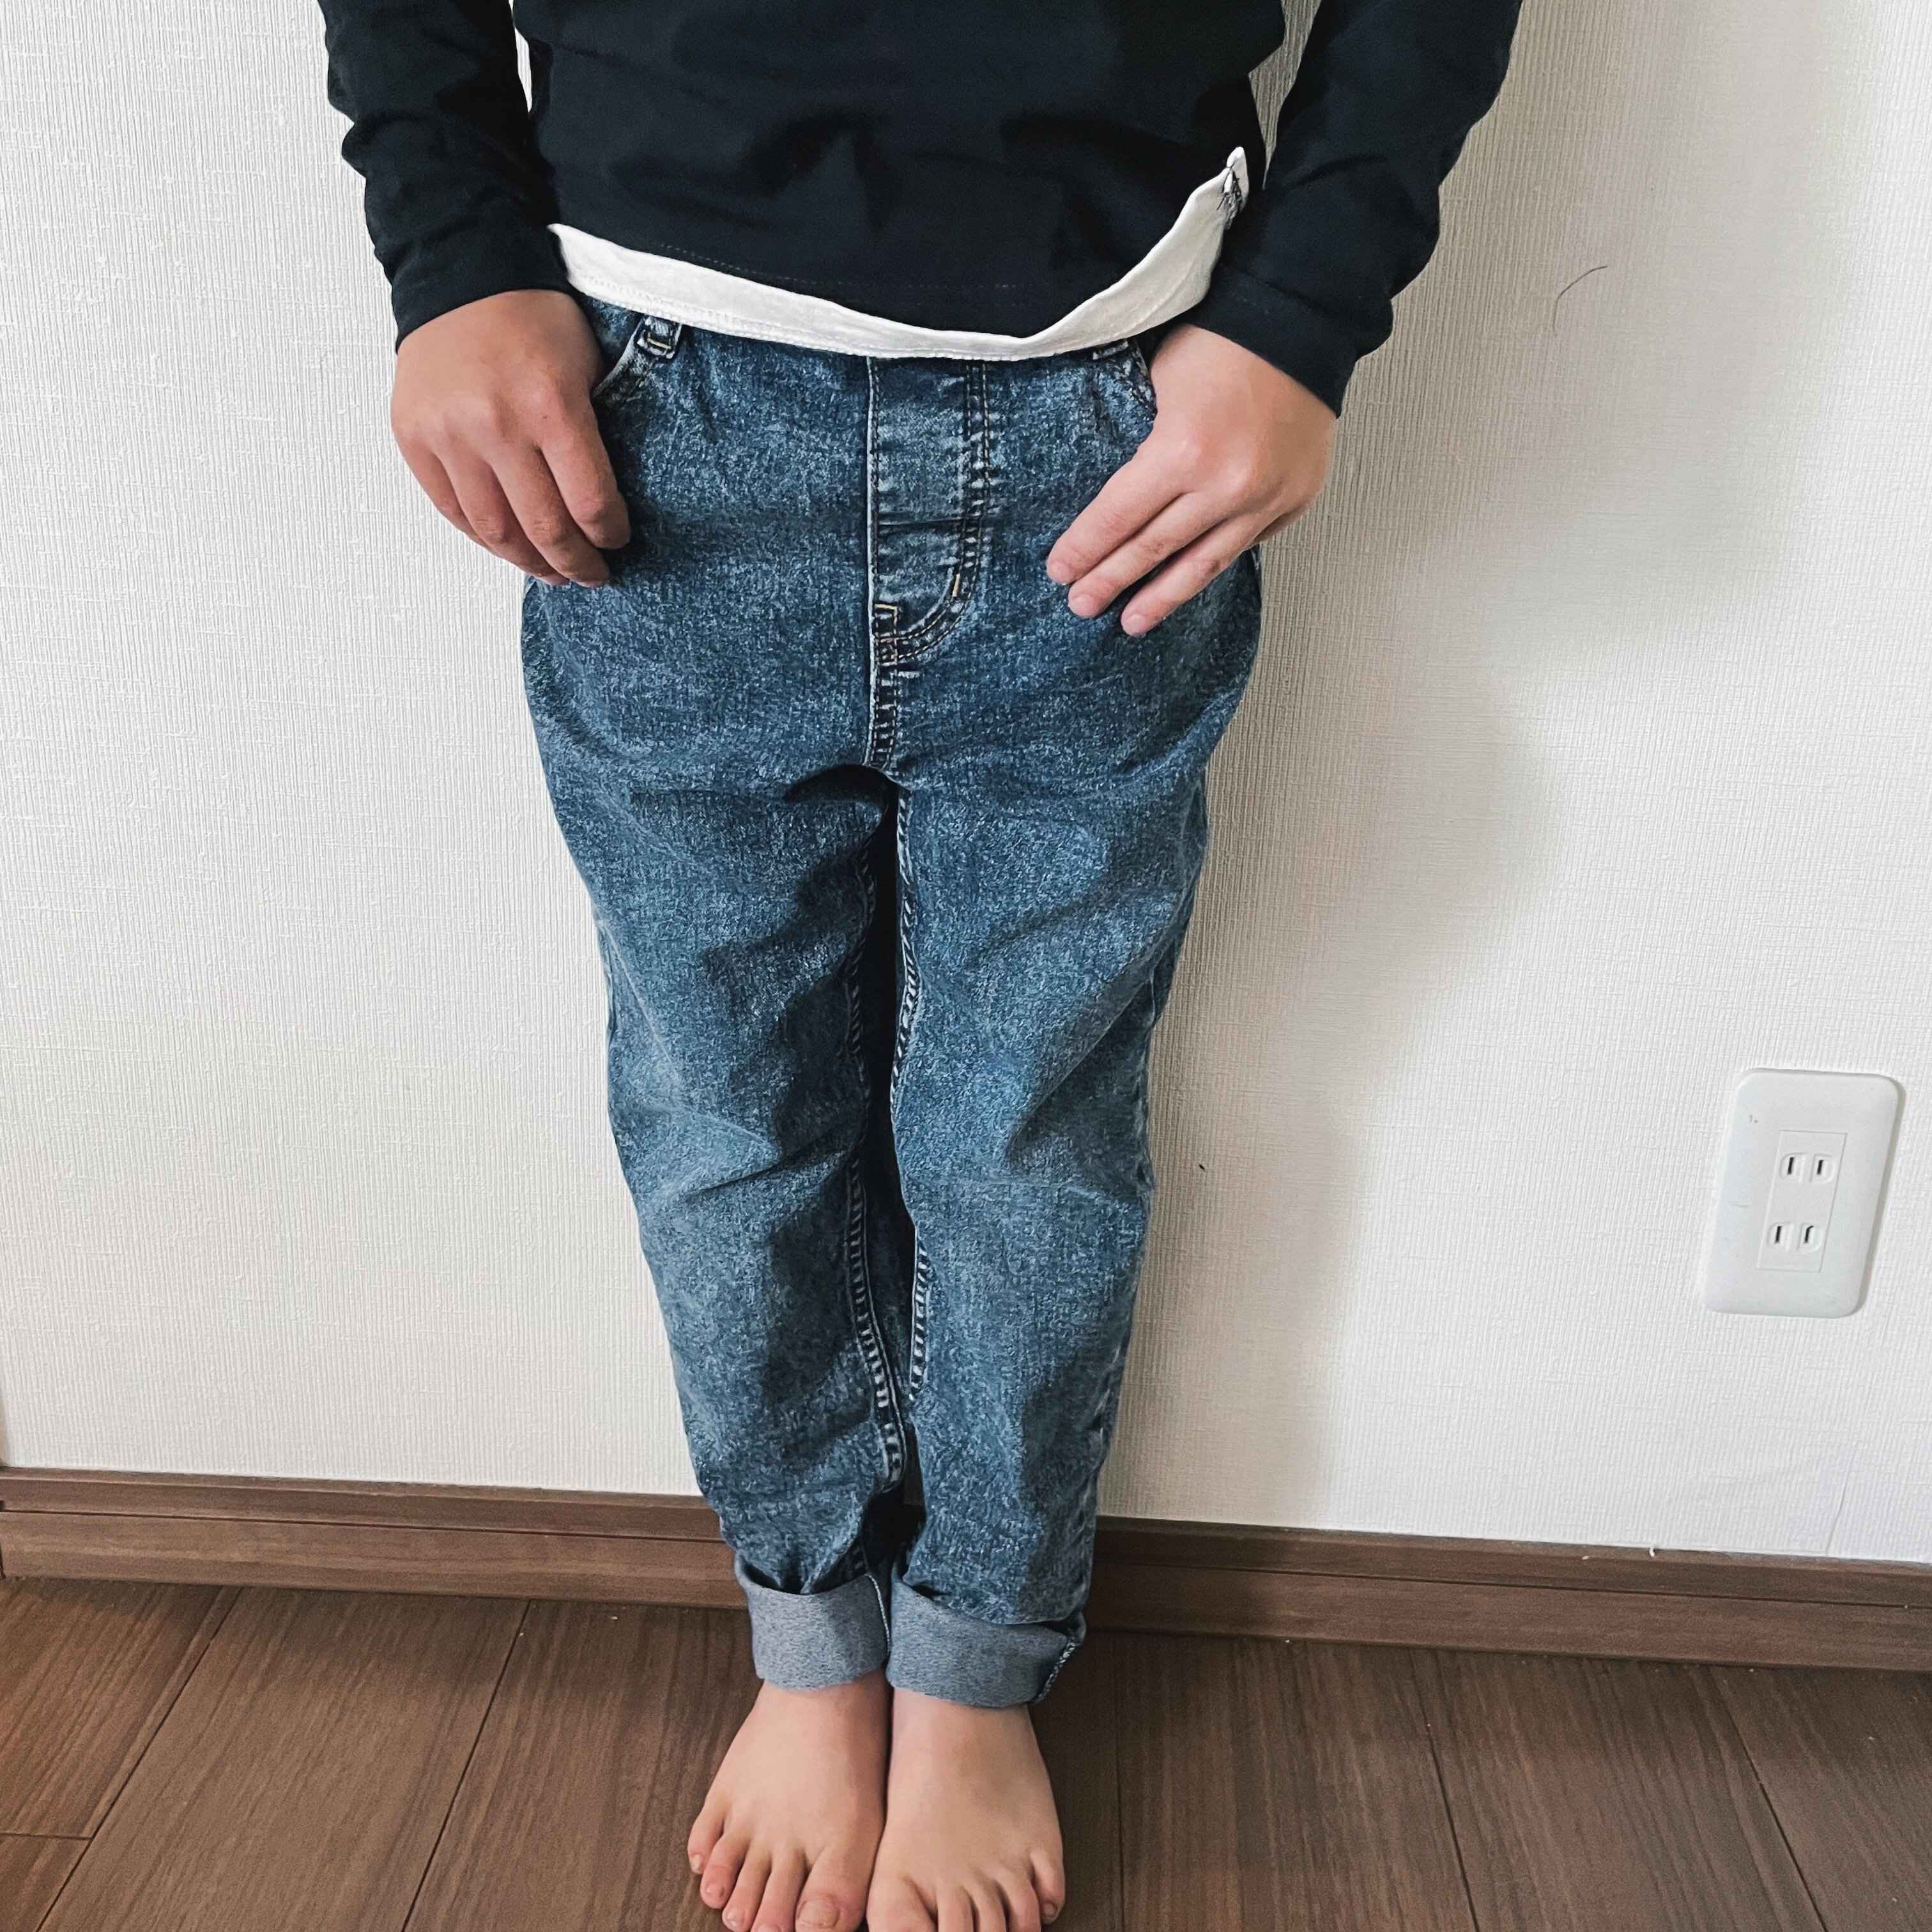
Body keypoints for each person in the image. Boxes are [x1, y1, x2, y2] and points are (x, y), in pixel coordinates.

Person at [316, 4, 1522, 1929]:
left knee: (1026, 1137)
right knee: (728, 1122)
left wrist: (1305, 309)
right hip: (652, 407)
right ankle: (813, 1650)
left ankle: (974, 1667)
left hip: (1108, 411)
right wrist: (450, 250)